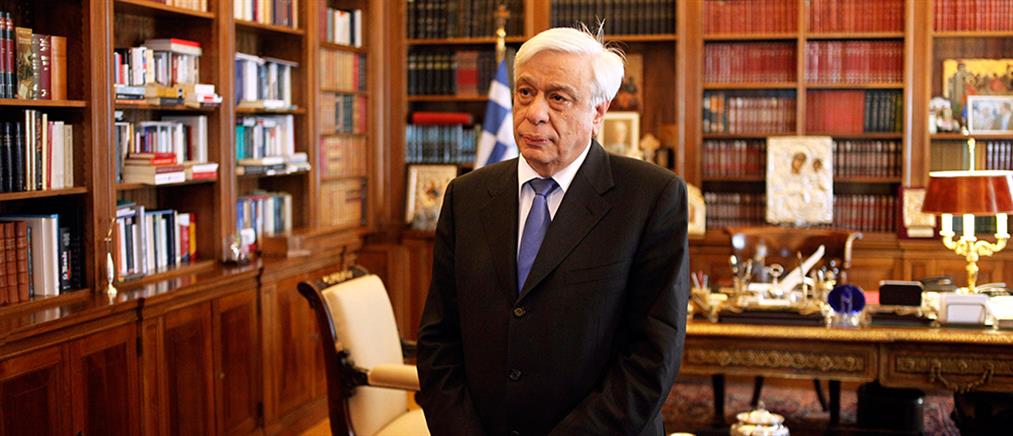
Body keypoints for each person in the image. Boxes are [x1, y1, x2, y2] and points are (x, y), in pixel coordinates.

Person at [417, 26, 690, 436]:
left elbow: (653, 357)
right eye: (526, 92)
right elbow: (439, 339)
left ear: (598, 113)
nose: (535, 112)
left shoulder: (651, 197)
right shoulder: (466, 196)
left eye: (558, 98)